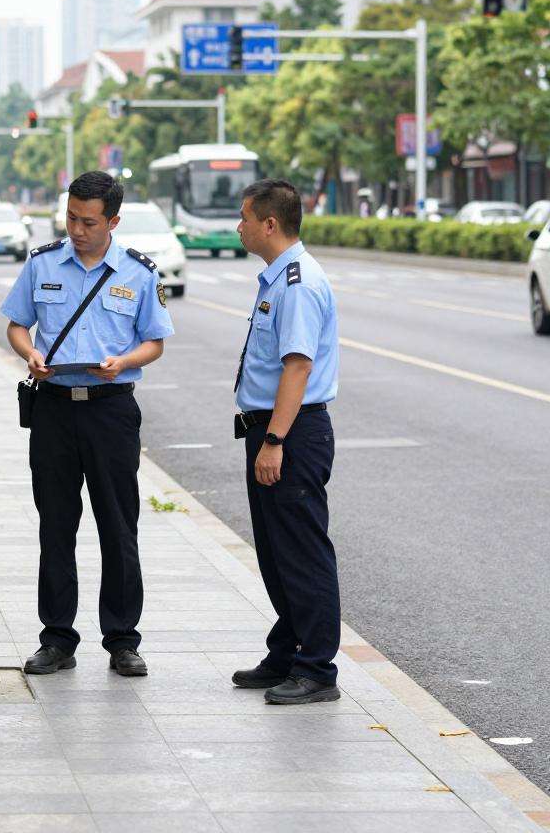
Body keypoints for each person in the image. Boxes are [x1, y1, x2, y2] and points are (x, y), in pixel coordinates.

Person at [1, 170, 174, 679]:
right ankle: (57, 638)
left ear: (113, 222)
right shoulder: (42, 263)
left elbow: (155, 342)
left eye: (89, 222)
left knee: (118, 525)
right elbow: (16, 324)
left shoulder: (139, 273)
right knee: (56, 525)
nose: (77, 230)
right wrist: (29, 353)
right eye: (71, 218)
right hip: (54, 409)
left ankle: (123, 639)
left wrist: (124, 362)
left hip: (110, 410)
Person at [231, 178, 341, 705]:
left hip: (291, 432)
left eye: (245, 218)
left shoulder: (297, 283)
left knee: (301, 552)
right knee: (277, 553)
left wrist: (274, 439)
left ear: (269, 224)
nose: (239, 226)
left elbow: (297, 367)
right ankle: (288, 651)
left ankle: (316, 668)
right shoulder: (278, 277)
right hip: (272, 428)